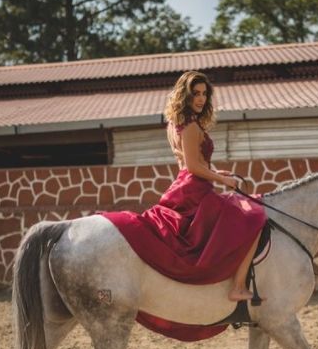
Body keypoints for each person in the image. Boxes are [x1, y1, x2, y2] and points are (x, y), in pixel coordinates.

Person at [101, 71, 267, 301]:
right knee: (253, 218)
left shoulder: (176, 123)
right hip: (194, 190)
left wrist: (216, 172)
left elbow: (192, 163)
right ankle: (237, 286)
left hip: (188, 184)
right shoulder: (190, 126)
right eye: (195, 93)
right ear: (184, 95)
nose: (201, 99)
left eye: (204, 94)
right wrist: (223, 180)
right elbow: (192, 166)